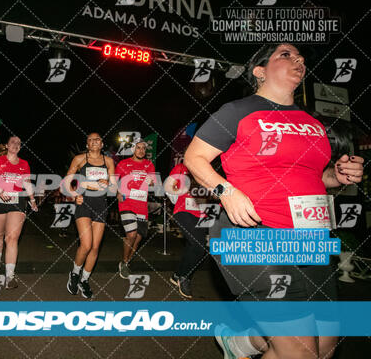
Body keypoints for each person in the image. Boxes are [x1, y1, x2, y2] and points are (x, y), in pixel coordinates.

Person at [184, 43, 364, 359]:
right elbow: (195, 157)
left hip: (311, 240)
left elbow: (311, 179)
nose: (299, 60)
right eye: (286, 55)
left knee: (323, 348)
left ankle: (242, 343)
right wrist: (228, 192)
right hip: (253, 235)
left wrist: (336, 176)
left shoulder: (314, 123)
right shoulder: (238, 111)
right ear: (259, 70)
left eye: (300, 57)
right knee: (301, 351)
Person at [63, 132, 116, 299]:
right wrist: (73, 195)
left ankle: (84, 280)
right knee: (86, 245)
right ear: (87, 144)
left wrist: (109, 183)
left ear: (102, 144)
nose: (94, 141)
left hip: (101, 204)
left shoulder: (108, 161)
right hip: (84, 203)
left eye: (98, 139)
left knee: (95, 247)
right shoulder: (79, 159)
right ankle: (75, 273)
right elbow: (65, 183)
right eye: (91, 139)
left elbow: (114, 188)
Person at [0, 136, 38, 289]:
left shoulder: (24, 164)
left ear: (20, 148)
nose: (16, 145)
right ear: (7, 145)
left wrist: (32, 199)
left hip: (17, 201)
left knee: (12, 238)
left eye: (18, 143)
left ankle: (9, 275)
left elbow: (27, 183)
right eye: (13, 142)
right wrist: (0, 191)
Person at [164, 162, 209, 299]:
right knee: (198, 245)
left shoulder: (207, 169)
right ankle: (184, 277)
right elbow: (168, 189)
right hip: (183, 210)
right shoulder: (180, 168)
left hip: (203, 213)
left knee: (195, 246)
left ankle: (177, 274)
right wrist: (179, 192)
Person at [115, 139, 155, 279]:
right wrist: (118, 191)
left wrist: (151, 183)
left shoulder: (149, 165)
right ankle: (125, 263)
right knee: (131, 235)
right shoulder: (123, 164)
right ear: (133, 149)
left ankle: (127, 261)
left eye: (143, 148)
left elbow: (152, 183)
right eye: (138, 148)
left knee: (138, 238)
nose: (141, 151)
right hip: (126, 203)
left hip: (142, 204)